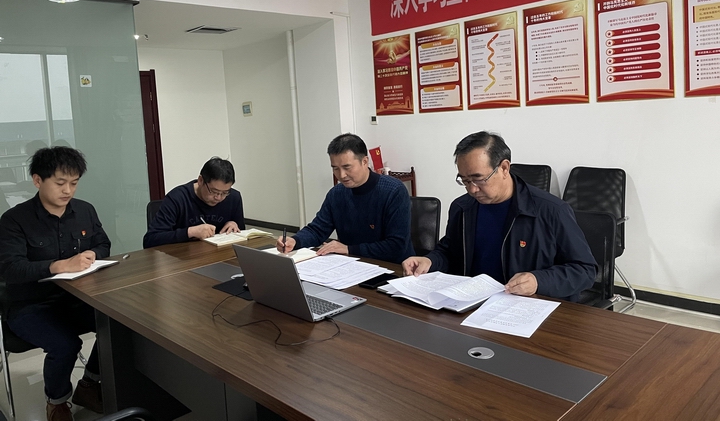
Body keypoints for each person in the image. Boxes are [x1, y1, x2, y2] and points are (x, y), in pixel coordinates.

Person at [402, 131, 596, 302]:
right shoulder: (462, 208)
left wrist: (539, 281)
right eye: (465, 181)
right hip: (472, 304)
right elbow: (450, 252)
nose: (472, 189)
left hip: (528, 307)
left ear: (504, 168)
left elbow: (585, 270)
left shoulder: (551, 211)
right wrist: (430, 261)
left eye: (478, 179)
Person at [0, 147, 110, 421]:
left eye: (74, 183)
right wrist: (58, 266)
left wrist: (92, 254)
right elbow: (10, 269)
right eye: (60, 183)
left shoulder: (85, 210)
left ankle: (89, 384)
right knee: (65, 345)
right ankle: (57, 402)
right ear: (38, 180)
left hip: (76, 298)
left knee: (116, 325)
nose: (67, 190)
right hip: (30, 305)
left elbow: (103, 243)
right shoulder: (14, 220)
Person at [276, 133, 413, 263]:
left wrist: (348, 249)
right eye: (335, 168)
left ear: (365, 161)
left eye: (347, 167)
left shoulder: (393, 191)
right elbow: (317, 230)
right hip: (351, 264)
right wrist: (295, 241)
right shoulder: (336, 194)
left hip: (393, 267)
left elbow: (396, 246)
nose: (341, 175)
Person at [143, 157, 245, 248]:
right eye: (214, 191)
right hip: (183, 258)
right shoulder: (177, 198)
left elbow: (243, 239)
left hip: (220, 257)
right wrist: (190, 232)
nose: (218, 197)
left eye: (225, 193)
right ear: (200, 181)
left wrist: (234, 226)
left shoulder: (233, 197)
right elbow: (150, 240)